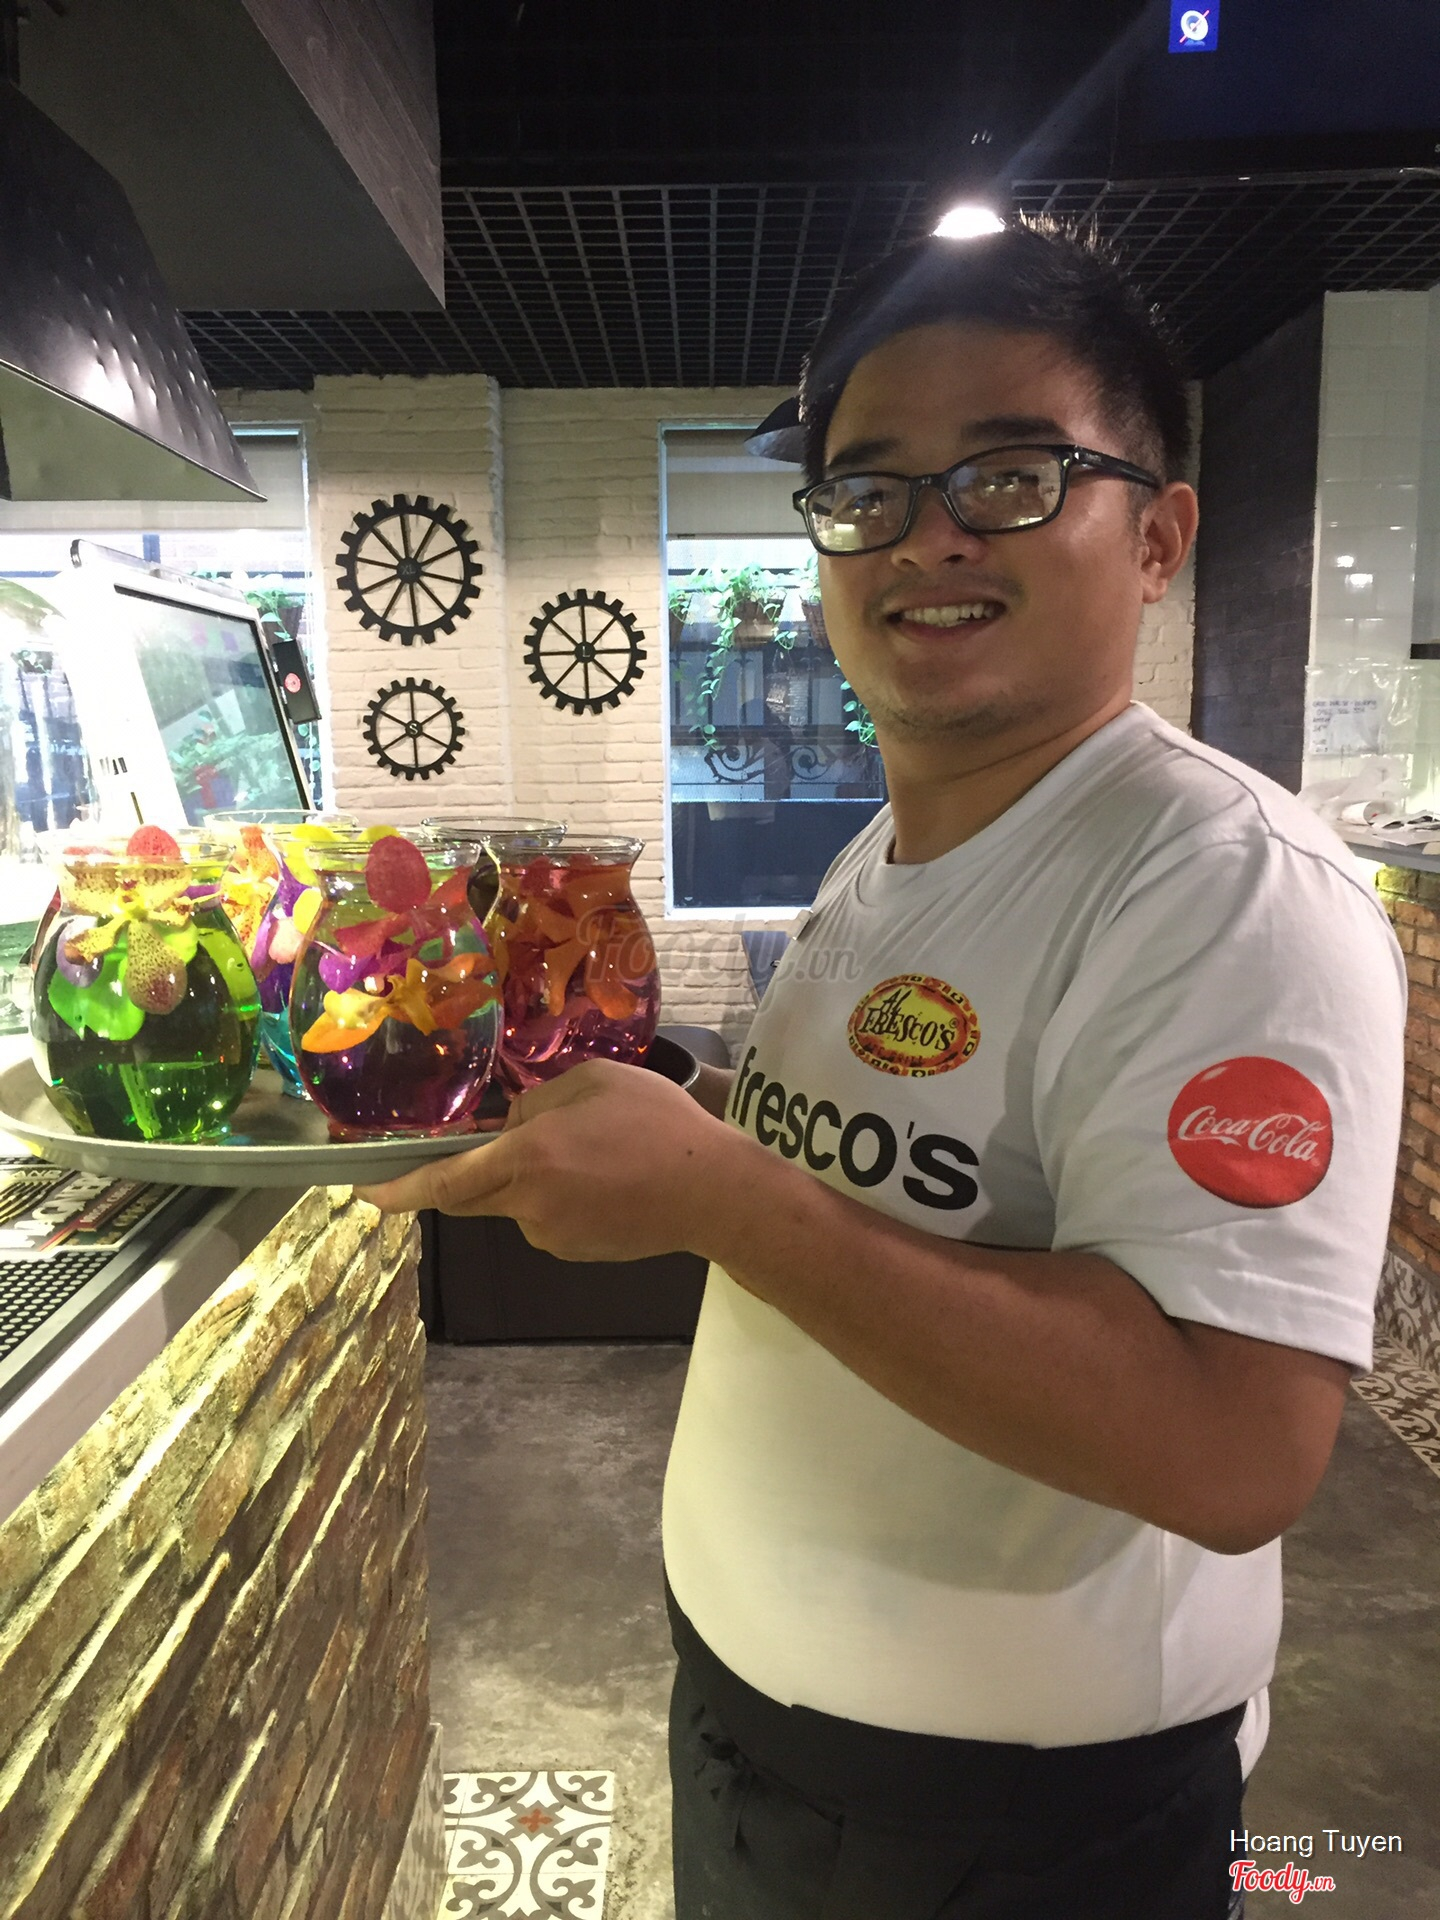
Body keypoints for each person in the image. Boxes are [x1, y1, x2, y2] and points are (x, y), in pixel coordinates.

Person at [360, 222, 1406, 1919]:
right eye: (867, 492)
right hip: (762, 1737)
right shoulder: (886, 851)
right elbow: (878, 1179)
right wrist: (672, 1129)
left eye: (1010, 476)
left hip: (1015, 1834)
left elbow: (1236, 1449)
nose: (926, 536)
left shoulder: (1222, 886)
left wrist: (717, 1196)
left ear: (1158, 537)